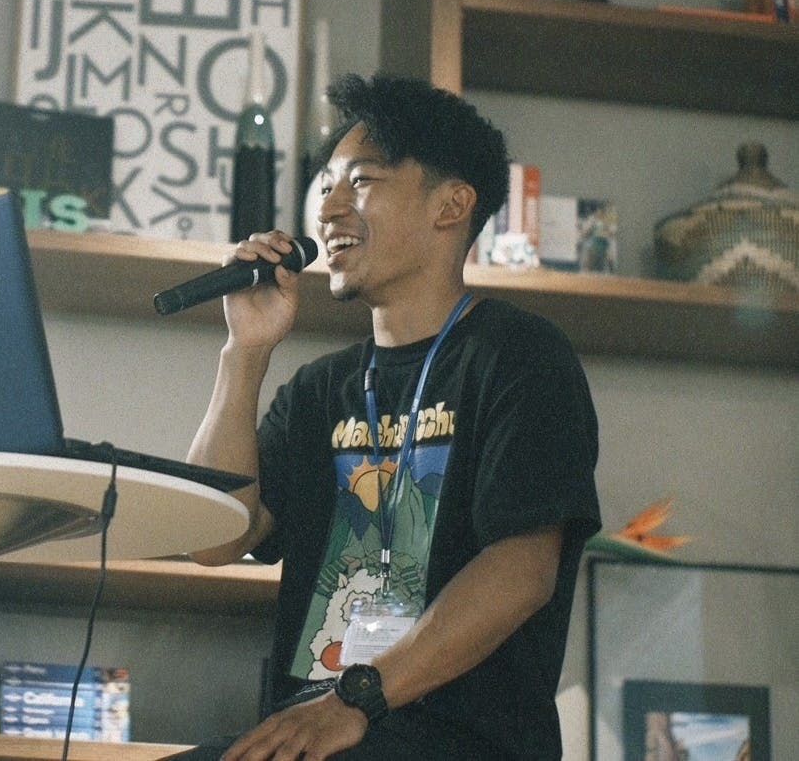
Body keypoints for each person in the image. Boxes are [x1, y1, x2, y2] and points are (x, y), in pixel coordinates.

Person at [174, 74, 601, 760]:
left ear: (451, 204)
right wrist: (244, 352)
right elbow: (213, 541)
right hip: (310, 739)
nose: (328, 209)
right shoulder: (320, 390)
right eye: (325, 187)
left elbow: (523, 570)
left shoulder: (519, 356)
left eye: (361, 182)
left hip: (457, 746)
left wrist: (355, 701)